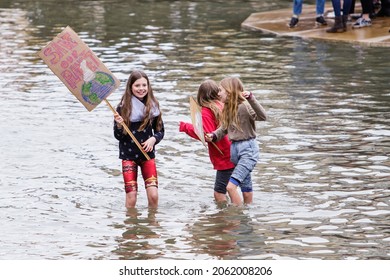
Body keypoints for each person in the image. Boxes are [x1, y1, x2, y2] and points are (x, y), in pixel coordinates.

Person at [205, 77, 267, 206]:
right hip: (235, 151)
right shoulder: (227, 109)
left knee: (230, 187)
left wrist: (251, 98)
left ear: (229, 91)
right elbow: (225, 128)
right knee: (246, 188)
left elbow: (262, 116)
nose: (218, 93)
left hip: (247, 150)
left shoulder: (243, 106)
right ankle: (247, 217)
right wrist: (213, 135)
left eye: (220, 90)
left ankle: (237, 217)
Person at [113, 70, 164, 208]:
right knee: (132, 197)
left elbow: (160, 131)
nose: (141, 89)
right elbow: (118, 136)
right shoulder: (122, 108)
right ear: (131, 87)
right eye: (137, 86)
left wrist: (153, 139)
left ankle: (152, 225)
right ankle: (130, 225)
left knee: (153, 196)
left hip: (147, 156)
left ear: (148, 87)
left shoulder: (153, 106)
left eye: (144, 85)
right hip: (128, 156)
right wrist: (119, 124)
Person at [179, 79, 235, 204]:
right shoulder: (222, 105)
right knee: (232, 188)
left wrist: (185, 127)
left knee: (219, 192)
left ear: (200, 96)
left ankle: (224, 218)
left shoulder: (206, 111)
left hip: (224, 156)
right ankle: (234, 211)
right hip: (233, 151)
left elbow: (205, 135)